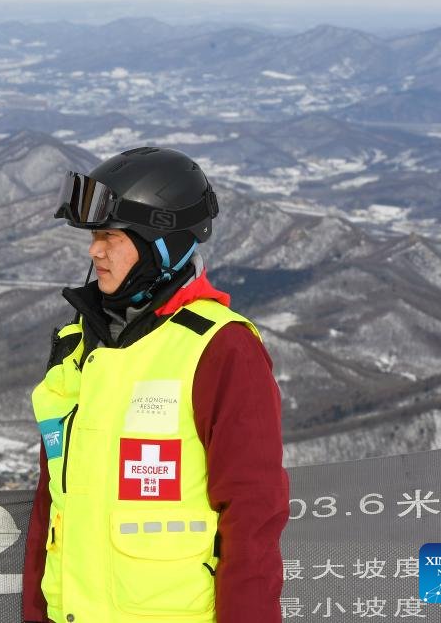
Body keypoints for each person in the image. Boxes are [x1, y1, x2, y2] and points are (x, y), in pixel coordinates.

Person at [22, 148, 289, 623]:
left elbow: (252, 516)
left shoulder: (220, 349)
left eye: (109, 236)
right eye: (93, 237)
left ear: (159, 245)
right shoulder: (75, 347)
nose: (94, 251)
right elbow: (51, 507)